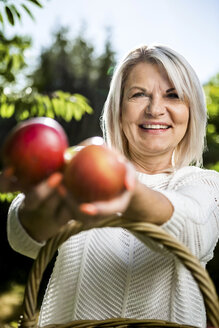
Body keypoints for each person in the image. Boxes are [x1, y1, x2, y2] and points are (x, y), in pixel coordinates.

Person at [3, 44, 219, 328]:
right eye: (139, 94)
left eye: (173, 95)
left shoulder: (205, 183)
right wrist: (41, 207)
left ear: (192, 112)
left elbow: (194, 230)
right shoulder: (82, 169)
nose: (155, 109)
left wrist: (125, 190)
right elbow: (23, 239)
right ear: (118, 109)